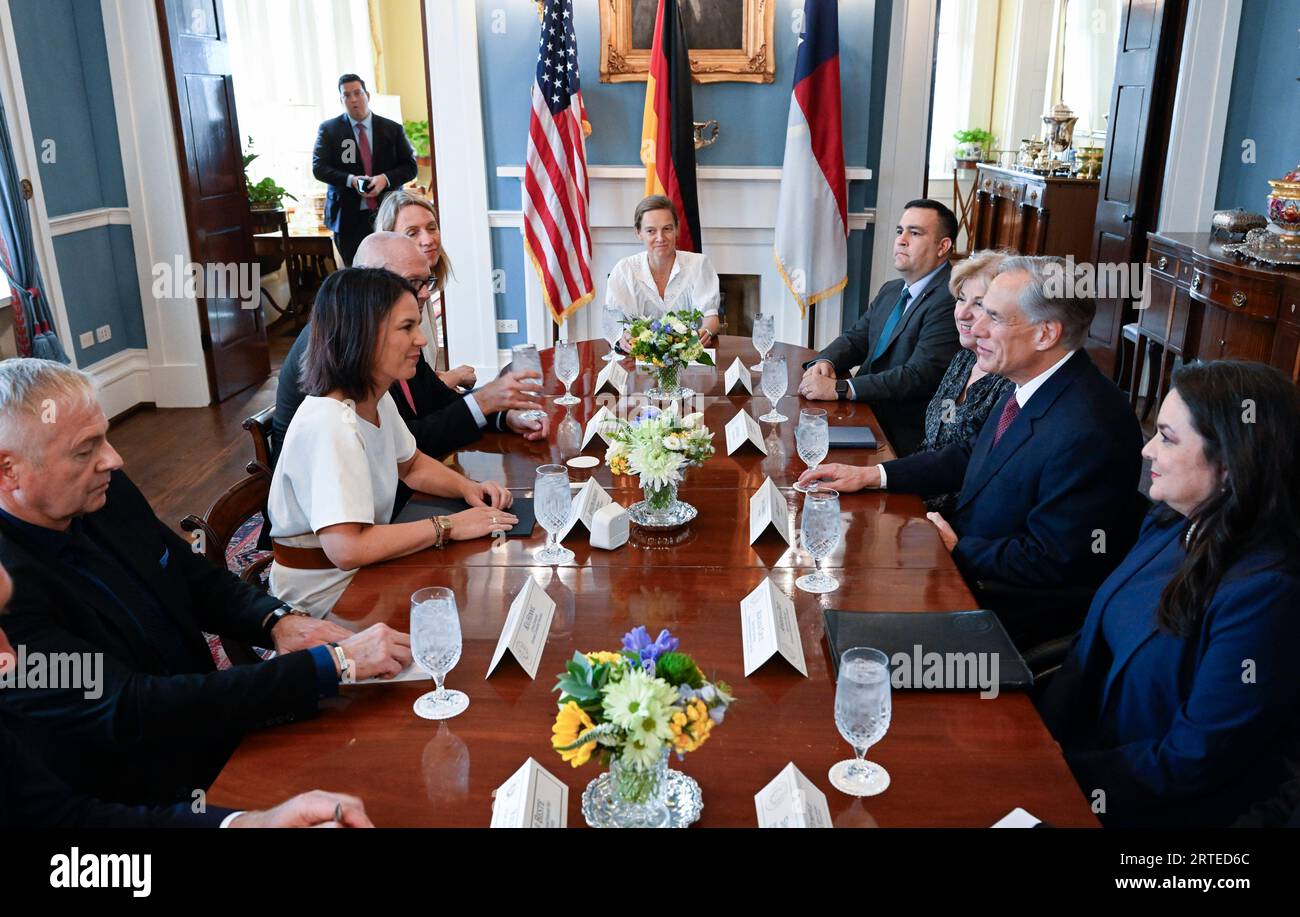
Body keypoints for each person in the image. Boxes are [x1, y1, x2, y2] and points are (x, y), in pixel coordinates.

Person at [0, 359, 412, 806]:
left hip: (211, 719)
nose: (113, 459)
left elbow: (191, 577)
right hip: (143, 790)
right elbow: (134, 707)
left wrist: (276, 621)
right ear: (9, 471)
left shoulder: (103, 490)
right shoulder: (6, 591)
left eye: (105, 437)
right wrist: (329, 666)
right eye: (85, 450)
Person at [798, 256, 1143, 645]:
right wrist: (872, 475)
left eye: (993, 317)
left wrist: (957, 549)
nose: (974, 326)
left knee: (831, 626)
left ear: (1045, 334)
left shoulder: (1090, 428)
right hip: (958, 568)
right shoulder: (1031, 382)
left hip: (1002, 612)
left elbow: (1057, 559)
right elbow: (971, 455)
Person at [1037, 361, 1300, 827]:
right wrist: (1035, 741)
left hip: (1152, 809)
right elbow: (1087, 648)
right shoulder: (1172, 523)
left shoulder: (1267, 592)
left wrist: (1053, 774)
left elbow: (1194, 757)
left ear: (1230, 463)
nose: (1146, 450)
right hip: (1078, 764)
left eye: (1168, 437)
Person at [0, 563, 371, 828]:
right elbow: (135, 706)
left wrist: (250, 824)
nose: (13, 658)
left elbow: (67, 819)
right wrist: (325, 664)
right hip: (159, 769)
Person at [268, 268, 519, 618]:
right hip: (329, 595)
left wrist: (467, 488)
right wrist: (449, 526)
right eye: (406, 328)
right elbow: (348, 549)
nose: (422, 340)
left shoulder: (375, 397)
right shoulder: (331, 424)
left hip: (361, 573)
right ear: (363, 335)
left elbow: (412, 465)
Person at [272, 233, 547, 477]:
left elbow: (435, 402)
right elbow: (408, 444)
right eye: (413, 282)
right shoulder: (339, 345)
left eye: (427, 280)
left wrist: (503, 416)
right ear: (369, 283)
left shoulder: (390, 334)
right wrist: (484, 400)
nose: (426, 293)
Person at [797, 200, 961, 456]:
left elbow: (917, 376)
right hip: (864, 411)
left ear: (943, 246)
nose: (902, 240)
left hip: (898, 434)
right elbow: (856, 339)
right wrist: (826, 361)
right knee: (796, 438)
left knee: (805, 450)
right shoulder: (892, 290)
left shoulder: (951, 299)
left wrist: (840, 389)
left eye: (914, 233)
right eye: (899, 231)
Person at [918, 250, 1015, 516]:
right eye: (961, 300)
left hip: (955, 518)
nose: (963, 314)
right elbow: (934, 441)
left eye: (979, 305)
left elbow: (972, 469)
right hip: (917, 492)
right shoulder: (963, 360)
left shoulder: (1009, 380)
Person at [312, 73, 417, 266]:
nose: (353, 99)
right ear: (341, 99)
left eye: (357, 93)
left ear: (367, 95)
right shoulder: (330, 130)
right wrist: (351, 180)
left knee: (392, 271)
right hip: (347, 217)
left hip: (387, 212)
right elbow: (319, 168)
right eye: (347, 95)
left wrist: (384, 179)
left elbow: (410, 167)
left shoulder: (392, 129)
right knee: (355, 275)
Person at [377, 188, 472, 391]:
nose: (429, 240)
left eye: (432, 228)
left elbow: (419, 377)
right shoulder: (384, 306)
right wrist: (454, 377)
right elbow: (408, 395)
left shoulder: (422, 290)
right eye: (412, 233)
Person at [606, 194, 722, 345]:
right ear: (638, 233)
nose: (660, 238)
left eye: (667, 229)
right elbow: (613, 324)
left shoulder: (699, 264)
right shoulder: (623, 270)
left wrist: (705, 332)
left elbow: (711, 317)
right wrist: (623, 337)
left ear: (677, 229)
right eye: (651, 231)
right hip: (638, 359)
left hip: (689, 357)